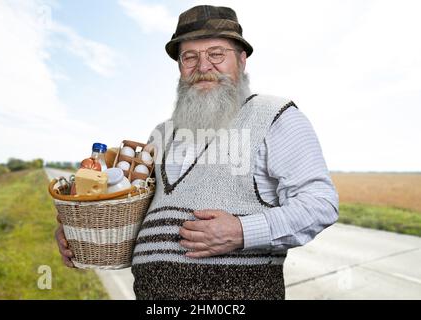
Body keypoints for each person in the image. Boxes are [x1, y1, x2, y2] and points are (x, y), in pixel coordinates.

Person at [55, 5, 339, 300]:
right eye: (190, 56)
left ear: (241, 60)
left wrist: (242, 231)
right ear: (180, 66)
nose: (203, 67)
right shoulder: (161, 133)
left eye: (216, 54)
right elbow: (134, 213)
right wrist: (81, 233)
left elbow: (320, 204)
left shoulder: (273, 116)